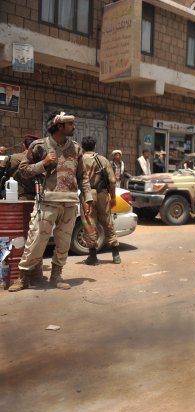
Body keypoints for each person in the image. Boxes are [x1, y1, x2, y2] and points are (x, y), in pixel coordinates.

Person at [8, 111, 93, 292]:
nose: (74, 127)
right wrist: (44, 163)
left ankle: (56, 276)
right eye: (71, 124)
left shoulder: (76, 148)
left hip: (70, 203)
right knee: (36, 239)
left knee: (63, 242)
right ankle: (23, 278)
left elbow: (83, 177)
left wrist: (87, 199)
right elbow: (23, 171)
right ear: (60, 126)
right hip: (47, 201)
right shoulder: (40, 146)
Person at [81, 136, 121, 266]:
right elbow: (112, 181)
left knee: (89, 223)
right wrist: (113, 197)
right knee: (108, 222)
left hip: (87, 195)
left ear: (82, 147)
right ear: (94, 147)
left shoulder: (80, 160)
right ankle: (116, 254)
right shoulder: (102, 160)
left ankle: (93, 257)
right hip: (103, 194)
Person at [1, 134, 39, 200]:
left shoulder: (11, 158)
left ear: (24, 145)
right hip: (38, 197)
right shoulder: (43, 160)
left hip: (14, 197)